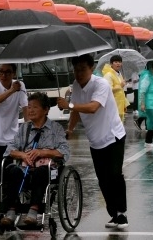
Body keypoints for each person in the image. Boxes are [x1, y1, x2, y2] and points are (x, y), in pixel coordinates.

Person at [57, 54, 128, 229]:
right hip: (95, 140)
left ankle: (122, 214)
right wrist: (70, 129)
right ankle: (114, 214)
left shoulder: (100, 84)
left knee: (115, 175)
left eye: (82, 69)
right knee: (103, 179)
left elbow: (93, 107)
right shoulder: (75, 85)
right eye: (76, 69)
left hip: (113, 136)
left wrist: (69, 105)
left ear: (91, 69)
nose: (78, 73)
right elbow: (75, 112)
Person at [0, 92, 69, 226]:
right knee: (12, 171)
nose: (30, 110)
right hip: (26, 166)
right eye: (29, 107)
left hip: (48, 168)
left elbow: (64, 152)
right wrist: (23, 155)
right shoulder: (24, 128)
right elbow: (10, 150)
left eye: (35, 107)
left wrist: (43, 152)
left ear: (46, 110)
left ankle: (34, 210)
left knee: (40, 172)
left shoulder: (56, 129)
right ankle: (11, 210)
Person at [0, 64, 28, 191]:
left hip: (11, 139)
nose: (3, 75)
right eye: (0, 72)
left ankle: (11, 203)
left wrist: (29, 129)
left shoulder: (20, 86)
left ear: (14, 73)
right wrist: (11, 90)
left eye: (7, 72)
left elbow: (26, 107)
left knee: (11, 173)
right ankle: (1, 205)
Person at [102, 55, 130, 122]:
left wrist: (124, 104)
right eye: (116, 62)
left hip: (119, 105)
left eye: (120, 62)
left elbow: (121, 92)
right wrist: (120, 85)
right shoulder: (108, 75)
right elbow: (107, 89)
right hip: (113, 105)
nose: (118, 63)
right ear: (111, 63)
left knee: (120, 125)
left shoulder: (119, 74)